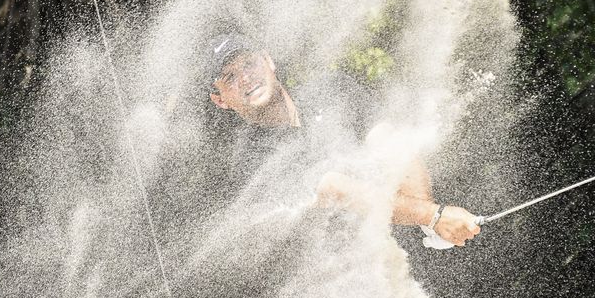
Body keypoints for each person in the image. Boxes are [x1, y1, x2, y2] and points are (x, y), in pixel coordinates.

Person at [206, 32, 481, 247]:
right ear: (220, 100)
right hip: (352, 281)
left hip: (415, 239)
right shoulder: (250, 162)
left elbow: (391, 145)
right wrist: (432, 217)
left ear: (268, 61)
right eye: (230, 77)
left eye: (249, 64)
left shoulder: (332, 88)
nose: (245, 78)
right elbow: (332, 188)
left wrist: (430, 221)